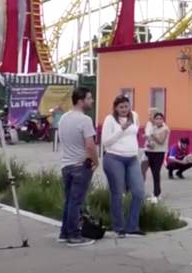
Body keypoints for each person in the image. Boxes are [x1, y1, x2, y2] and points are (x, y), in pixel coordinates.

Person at [58, 87, 98, 247]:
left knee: (69, 201)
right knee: (76, 202)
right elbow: (90, 145)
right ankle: (74, 235)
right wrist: (96, 161)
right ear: (81, 101)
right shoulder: (85, 120)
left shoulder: (63, 118)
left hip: (66, 165)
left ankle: (64, 232)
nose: (92, 101)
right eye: (89, 98)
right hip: (80, 165)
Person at [101, 95, 146, 238]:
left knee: (139, 192)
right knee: (117, 193)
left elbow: (135, 133)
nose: (124, 110)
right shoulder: (110, 120)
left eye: (126, 106)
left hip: (132, 158)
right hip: (114, 157)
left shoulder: (135, 116)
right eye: (121, 107)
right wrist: (121, 129)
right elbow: (106, 142)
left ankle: (132, 226)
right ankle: (119, 226)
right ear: (115, 108)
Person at [144, 112, 170, 203]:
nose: (158, 120)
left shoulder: (165, 129)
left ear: (163, 120)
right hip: (150, 152)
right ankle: (154, 192)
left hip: (159, 153)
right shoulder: (153, 128)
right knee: (150, 172)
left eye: (160, 118)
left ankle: (157, 193)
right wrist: (148, 142)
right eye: (156, 119)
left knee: (156, 172)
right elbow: (149, 139)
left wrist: (152, 135)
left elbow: (161, 141)